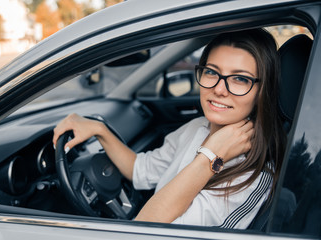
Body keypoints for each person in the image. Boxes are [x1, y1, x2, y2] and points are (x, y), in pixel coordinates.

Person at [53, 28, 286, 229]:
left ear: (262, 91)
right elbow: (140, 169)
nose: (219, 89)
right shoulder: (197, 128)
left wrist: (210, 157)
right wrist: (99, 129)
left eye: (240, 79)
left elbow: (145, 230)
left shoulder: (253, 176)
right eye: (212, 72)